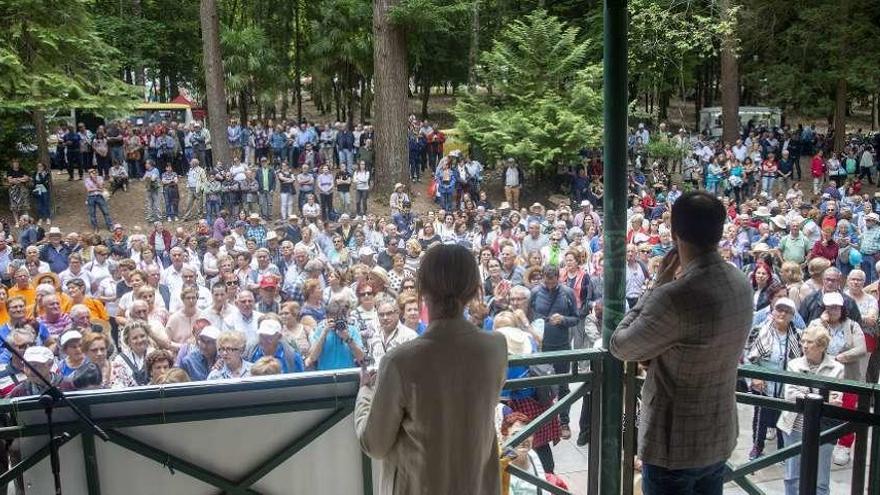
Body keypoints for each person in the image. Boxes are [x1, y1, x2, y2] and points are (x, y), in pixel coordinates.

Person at [611, 191, 753, 494]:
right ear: (719, 230)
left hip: (674, 446)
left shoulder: (675, 296)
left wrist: (657, 285)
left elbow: (620, 345)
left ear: (674, 233)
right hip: (718, 435)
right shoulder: (741, 282)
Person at [355, 244, 507, 495]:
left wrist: (365, 395)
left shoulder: (399, 362)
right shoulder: (496, 348)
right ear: (473, 290)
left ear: (422, 290)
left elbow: (375, 443)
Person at [776, 323, 843, 495]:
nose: (804, 346)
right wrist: (821, 395)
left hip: (823, 429)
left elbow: (836, 400)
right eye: (803, 341)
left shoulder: (837, 368)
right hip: (794, 426)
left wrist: (806, 391)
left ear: (821, 346)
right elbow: (791, 396)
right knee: (792, 477)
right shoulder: (793, 364)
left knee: (820, 481)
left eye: (810, 342)